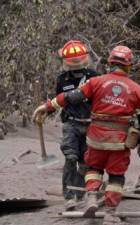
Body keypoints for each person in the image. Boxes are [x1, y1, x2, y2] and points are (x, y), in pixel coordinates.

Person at [32, 45, 140, 224]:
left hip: (95, 138)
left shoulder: (96, 81)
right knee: (116, 176)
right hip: (119, 142)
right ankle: (110, 213)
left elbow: (71, 96)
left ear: (110, 63)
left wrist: (48, 106)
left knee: (93, 169)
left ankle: (91, 197)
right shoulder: (137, 89)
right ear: (128, 66)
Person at [35, 40, 98, 210]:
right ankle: (69, 196)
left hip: (90, 124)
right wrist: (45, 112)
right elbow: (59, 101)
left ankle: (80, 193)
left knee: (86, 163)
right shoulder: (62, 79)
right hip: (71, 123)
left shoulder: (94, 76)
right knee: (70, 158)